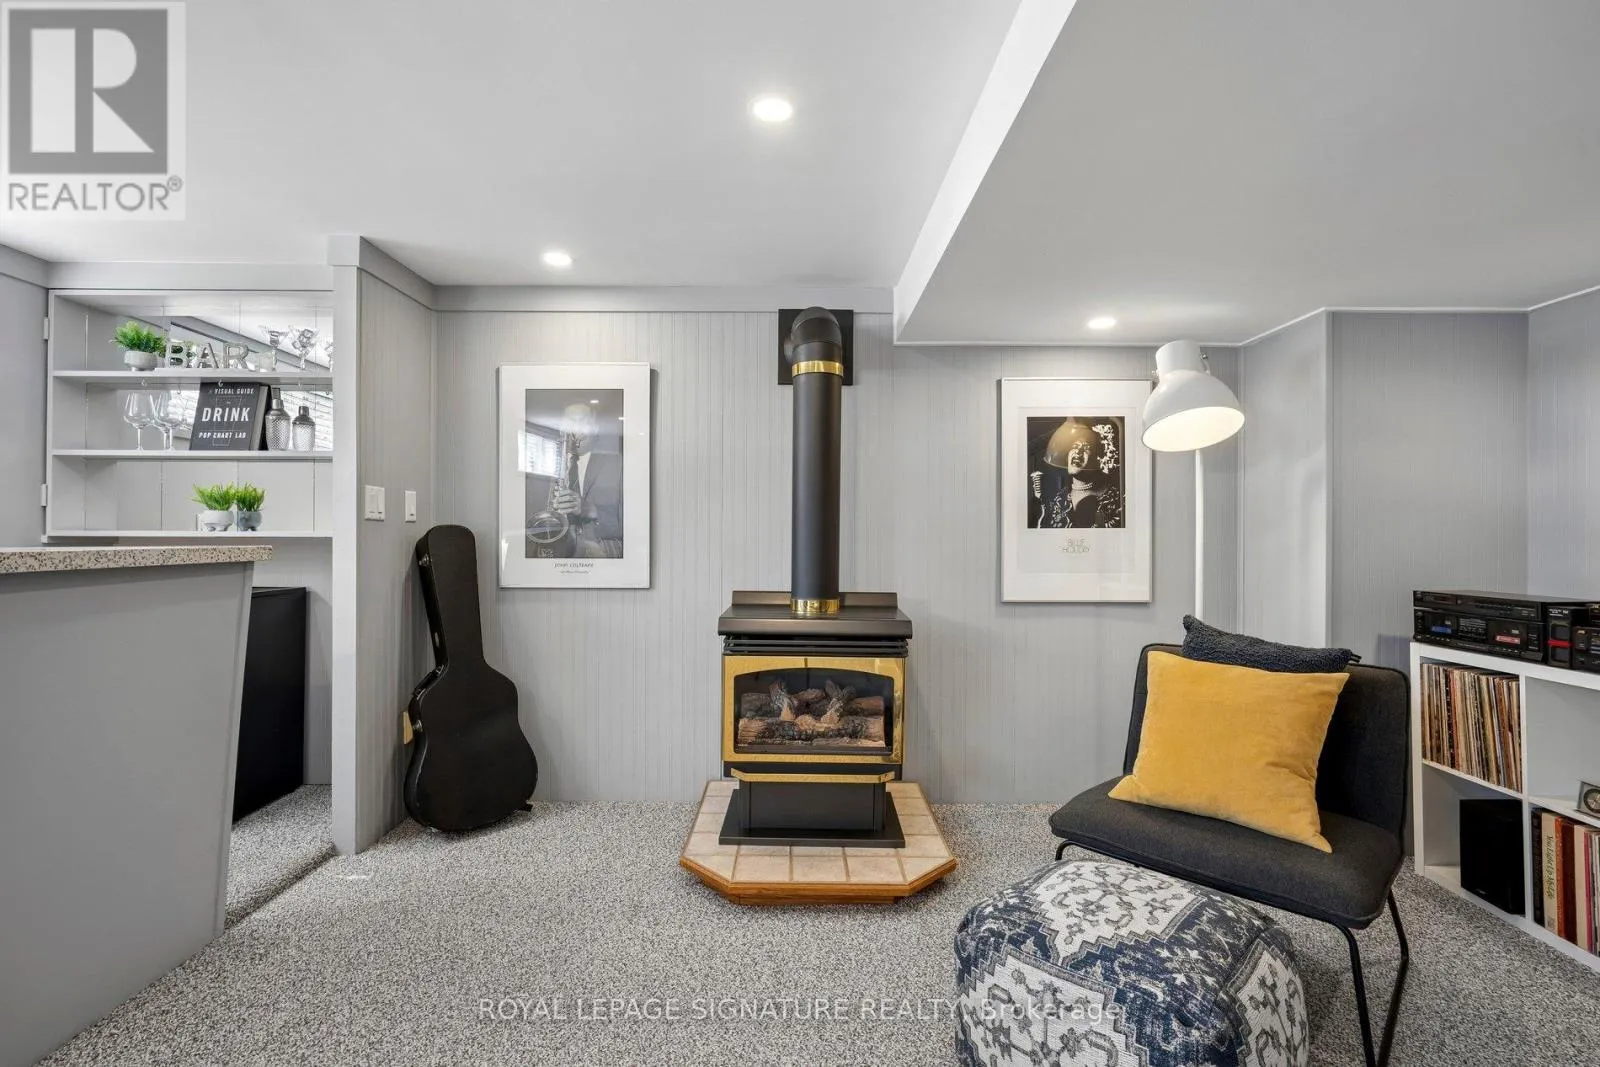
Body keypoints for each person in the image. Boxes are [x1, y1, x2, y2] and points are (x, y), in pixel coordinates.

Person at [530, 402, 623, 557]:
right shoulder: (544, 462)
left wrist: (590, 510)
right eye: (568, 422)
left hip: (600, 555)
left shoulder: (619, 464)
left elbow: (632, 526)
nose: (573, 428)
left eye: (581, 420)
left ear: (596, 427)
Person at [1029, 418, 1124, 529]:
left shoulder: (1115, 501)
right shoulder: (1059, 499)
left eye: (1086, 448)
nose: (1078, 452)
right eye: (1074, 447)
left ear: (1099, 456)